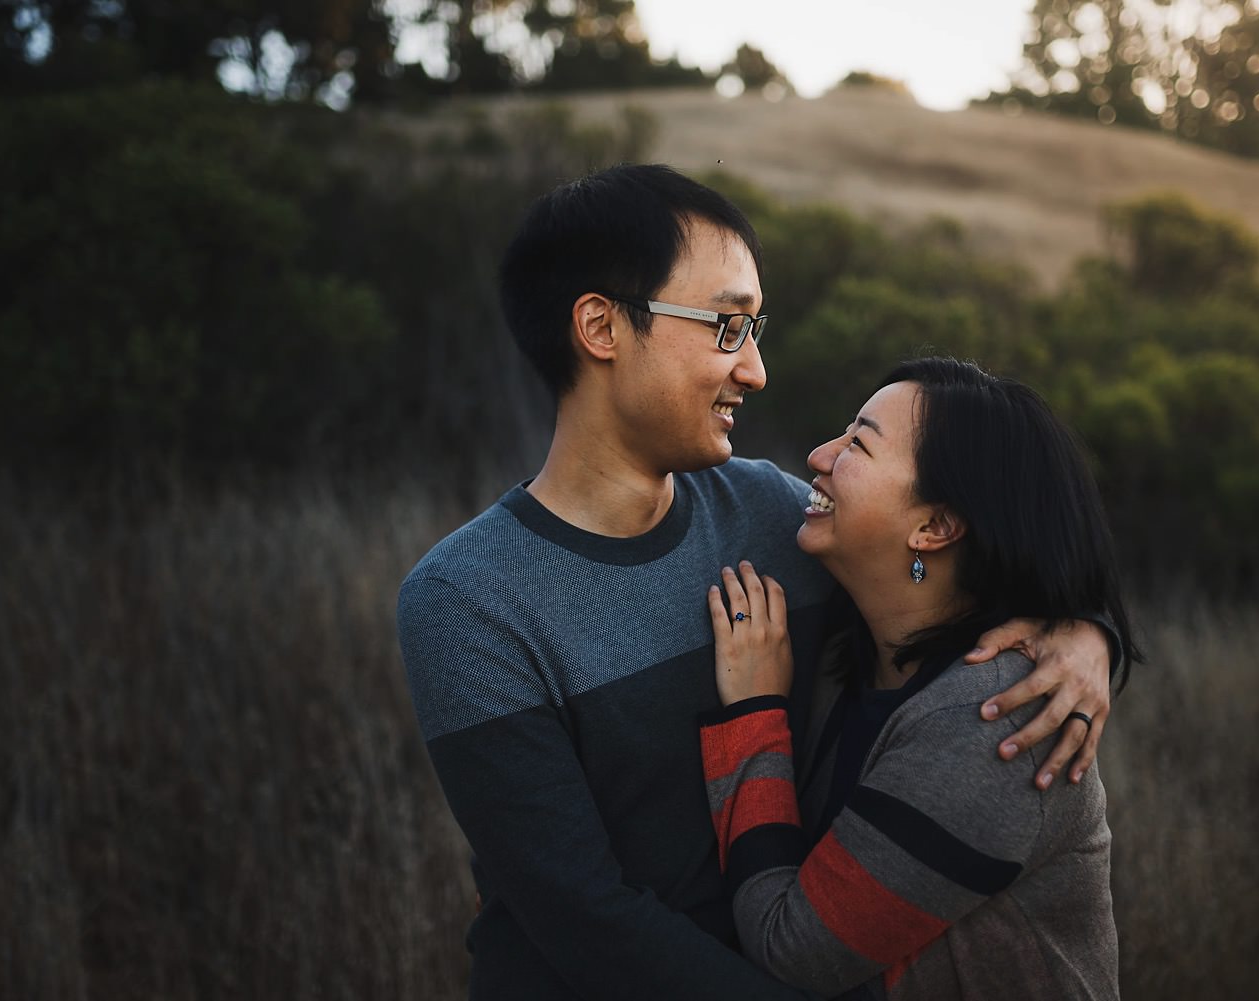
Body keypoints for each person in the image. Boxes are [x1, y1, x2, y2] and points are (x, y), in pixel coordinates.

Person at [396, 165, 1116, 999]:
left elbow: (959, 568)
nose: (756, 370)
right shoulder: (466, 599)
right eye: (727, 327)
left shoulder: (778, 517)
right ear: (601, 326)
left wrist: (1083, 629)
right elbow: (587, 917)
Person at [701, 357, 1138, 1000]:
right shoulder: (857, 636)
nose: (820, 456)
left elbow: (788, 949)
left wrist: (755, 713)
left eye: (859, 443)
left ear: (934, 527)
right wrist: (1088, 625)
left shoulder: (1000, 726)